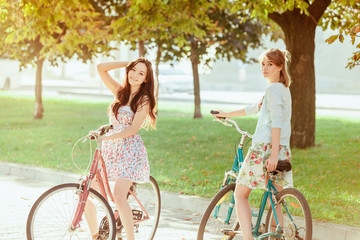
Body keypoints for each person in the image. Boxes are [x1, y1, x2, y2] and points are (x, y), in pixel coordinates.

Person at [212, 48, 293, 240]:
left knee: (240, 194)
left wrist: (272, 154)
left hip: (265, 148)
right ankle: (281, 234)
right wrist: (226, 114)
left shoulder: (272, 89)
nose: (264, 68)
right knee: (277, 197)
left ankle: (248, 238)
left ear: (280, 66)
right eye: (263, 64)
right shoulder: (282, 89)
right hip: (283, 148)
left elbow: (277, 120)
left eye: (270, 64)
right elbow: (253, 108)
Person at [85, 57, 156, 240]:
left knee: (118, 196)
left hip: (130, 151)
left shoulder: (144, 99)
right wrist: (128, 63)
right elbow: (101, 67)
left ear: (145, 79)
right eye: (134, 70)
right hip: (110, 149)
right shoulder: (120, 92)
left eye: (141, 73)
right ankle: (97, 236)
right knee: (85, 190)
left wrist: (109, 137)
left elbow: (132, 129)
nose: (135, 75)